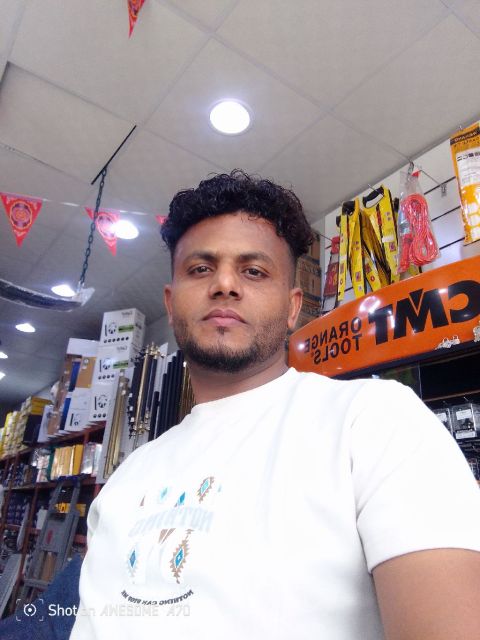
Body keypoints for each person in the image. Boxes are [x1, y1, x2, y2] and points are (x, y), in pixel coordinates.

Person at [70, 170, 480, 639]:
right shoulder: (125, 482)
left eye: (254, 271)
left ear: (292, 307)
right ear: (171, 301)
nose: (225, 284)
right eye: (200, 269)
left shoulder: (375, 422)